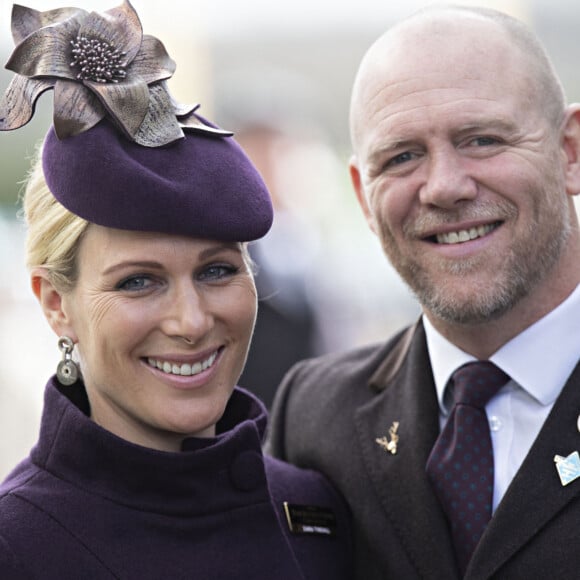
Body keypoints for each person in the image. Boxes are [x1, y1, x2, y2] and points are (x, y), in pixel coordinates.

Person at [0, 2, 353, 578]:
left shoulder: (316, 513)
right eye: (138, 282)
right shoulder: (17, 544)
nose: (190, 322)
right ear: (54, 303)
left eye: (217, 271)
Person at [267, 5, 580, 580]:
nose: (443, 187)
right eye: (403, 156)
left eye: (482, 140)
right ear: (362, 195)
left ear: (570, 152)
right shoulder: (314, 418)